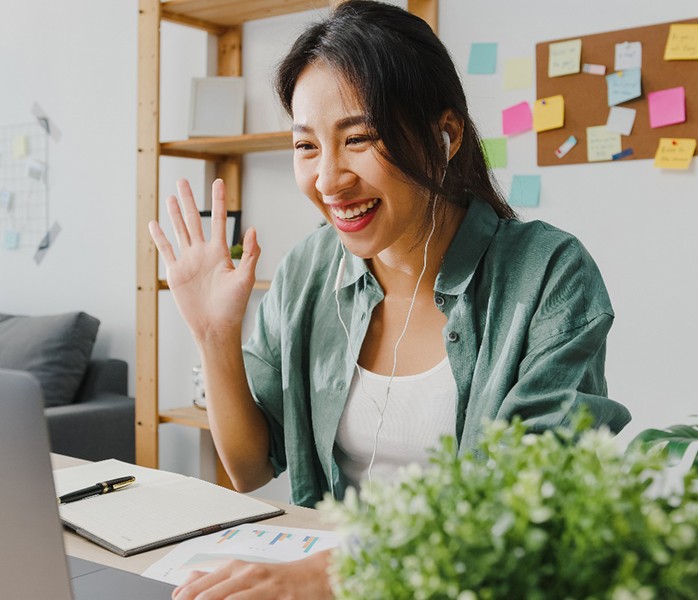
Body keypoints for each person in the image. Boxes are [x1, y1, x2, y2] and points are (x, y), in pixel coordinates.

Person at [150, 1, 631, 598]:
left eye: (360, 138)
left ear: (444, 135)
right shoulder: (308, 269)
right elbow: (251, 469)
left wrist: (327, 578)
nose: (328, 179)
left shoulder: (549, 274)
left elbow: (533, 505)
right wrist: (214, 336)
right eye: (306, 146)